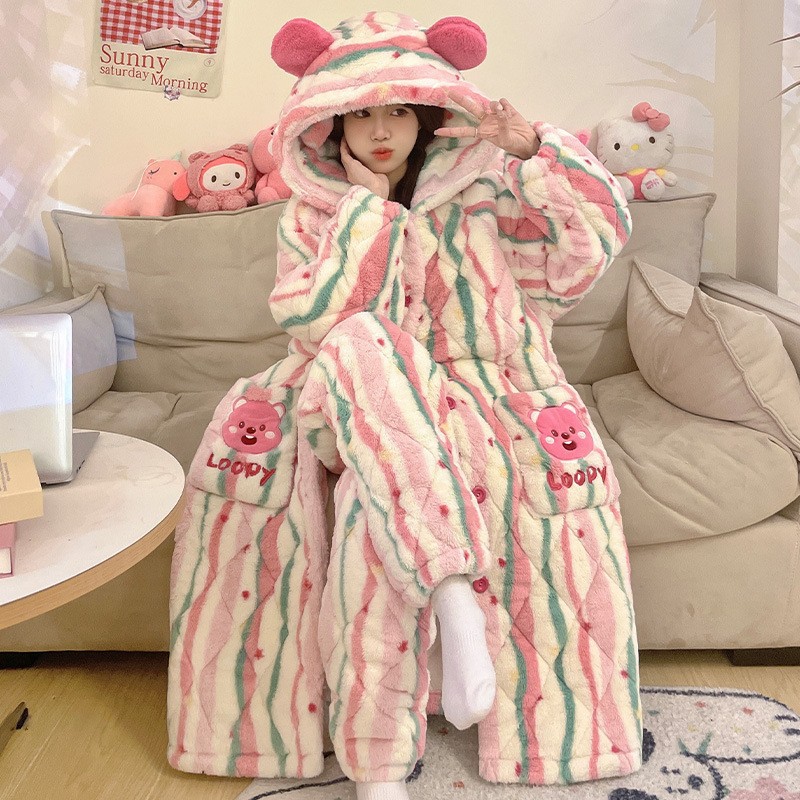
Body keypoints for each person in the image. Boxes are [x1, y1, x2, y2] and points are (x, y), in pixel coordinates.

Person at [168, 13, 642, 799]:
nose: (381, 131)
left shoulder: (488, 195)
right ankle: (452, 594)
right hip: (346, 396)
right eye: (362, 114)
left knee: (369, 507)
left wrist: (536, 151)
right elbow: (316, 324)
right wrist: (367, 212)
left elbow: (587, 251)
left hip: (471, 395)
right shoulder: (313, 215)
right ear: (333, 122)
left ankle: (380, 769)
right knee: (358, 342)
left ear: (427, 116)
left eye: (397, 111)